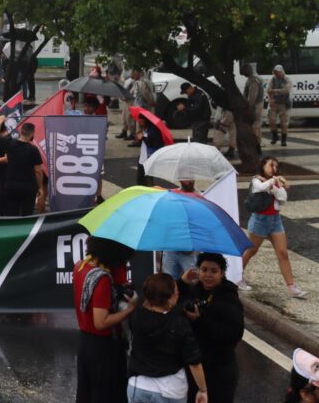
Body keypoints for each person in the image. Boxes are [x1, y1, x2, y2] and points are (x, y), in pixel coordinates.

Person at [73, 236, 137, 403]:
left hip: (84, 344)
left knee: (86, 394)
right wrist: (130, 309)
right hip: (104, 348)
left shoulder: (80, 266)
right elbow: (101, 322)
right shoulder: (102, 279)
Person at [127, 273, 208, 403]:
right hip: (171, 390)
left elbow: (152, 311)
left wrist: (171, 283)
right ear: (170, 298)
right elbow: (194, 362)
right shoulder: (180, 324)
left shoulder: (136, 317)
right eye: (176, 292)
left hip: (138, 387)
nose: (178, 294)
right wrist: (203, 390)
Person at [179, 253, 244, 402]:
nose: (208, 275)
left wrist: (200, 321)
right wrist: (182, 282)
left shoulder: (229, 298)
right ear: (198, 271)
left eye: (214, 271)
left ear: (222, 273)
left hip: (220, 372)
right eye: (204, 270)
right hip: (195, 370)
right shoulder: (194, 291)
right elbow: (168, 301)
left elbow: (235, 333)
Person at [240, 156, 306, 297]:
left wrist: (275, 186)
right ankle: (236, 277)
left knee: (283, 253)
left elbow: (282, 198)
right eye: (271, 165)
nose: (273, 169)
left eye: (276, 166)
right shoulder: (256, 179)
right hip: (259, 221)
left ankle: (292, 287)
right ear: (263, 166)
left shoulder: (275, 181)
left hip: (275, 221)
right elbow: (260, 187)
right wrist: (272, 182)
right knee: (251, 251)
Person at [0, 122, 44, 217]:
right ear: (32, 133)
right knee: (27, 215)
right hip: (29, 187)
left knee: (11, 215)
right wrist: (40, 188)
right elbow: (38, 171)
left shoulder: (9, 143)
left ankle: (13, 231)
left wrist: (0, 121)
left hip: (11, 186)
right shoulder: (34, 150)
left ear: (21, 132)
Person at [268, 64, 292, 146]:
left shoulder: (287, 79)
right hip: (274, 102)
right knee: (271, 120)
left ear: (281, 72)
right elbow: (269, 90)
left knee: (284, 123)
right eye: (275, 72)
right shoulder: (272, 79)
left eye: (277, 72)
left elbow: (286, 90)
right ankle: (274, 136)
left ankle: (283, 140)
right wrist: (271, 100)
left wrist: (275, 90)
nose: (276, 74)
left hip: (284, 104)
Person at [241, 63, 265, 143]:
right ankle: (258, 141)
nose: (243, 74)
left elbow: (252, 96)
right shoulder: (253, 78)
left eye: (244, 71)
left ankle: (256, 143)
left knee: (255, 125)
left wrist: (249, 107)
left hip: (255, 105)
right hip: (257, 104)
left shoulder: (254, 80)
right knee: (257, 125)